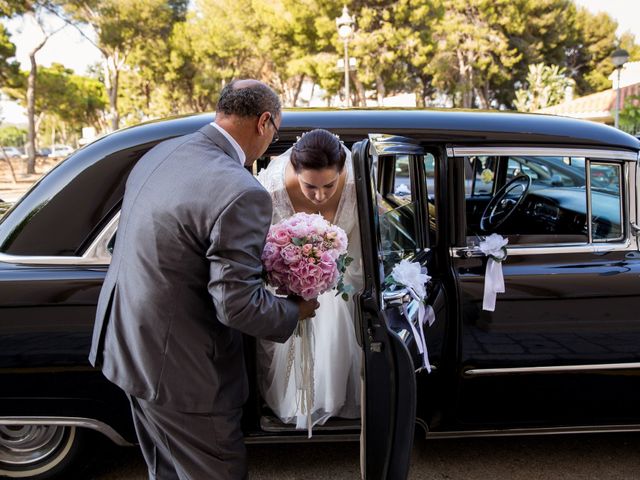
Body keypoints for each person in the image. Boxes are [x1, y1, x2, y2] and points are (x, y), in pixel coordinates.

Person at [89, 79, 319, 480]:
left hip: (128, 345)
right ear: (264, 122)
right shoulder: (242, 191)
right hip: (184, 371)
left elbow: (179, 246)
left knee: (166, 470)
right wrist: (294, 310)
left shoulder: (162, 152)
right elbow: (237, 305)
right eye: (276, 134)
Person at [256, 128, 363, 431]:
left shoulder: (358, 184)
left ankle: (335, 398)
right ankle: (296, 402)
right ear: (294, 170)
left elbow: (359, 252)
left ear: (342, 171)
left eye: (329, 186)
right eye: (309, 186)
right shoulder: (271, 190)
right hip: (289, 286)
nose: (319, 196)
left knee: (341, 312)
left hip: (343, 278)